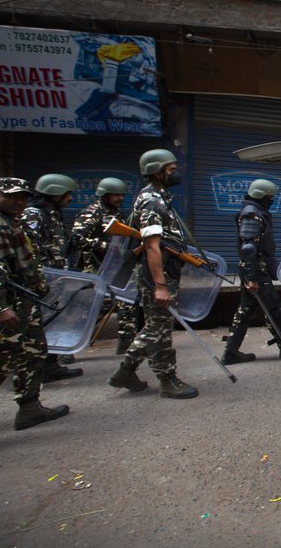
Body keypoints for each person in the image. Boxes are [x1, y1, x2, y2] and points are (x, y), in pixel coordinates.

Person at [0, 178, 71, 450]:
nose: (19, 202)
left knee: (34, 353)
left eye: (23, 197)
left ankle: (29, 408)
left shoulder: (10, 222)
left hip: (23, 303)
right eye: (12, 196)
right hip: (5, 308)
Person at [107, 149, 198, 399]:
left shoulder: (160, 197)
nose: (176, 172)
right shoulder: (151, 200)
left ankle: (126, 371)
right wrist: (160, 285)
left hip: (165, 270)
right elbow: (152, 245)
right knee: (160, 327)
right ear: (157, 172)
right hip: (156, 274)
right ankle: (167, 379)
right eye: (171, 169)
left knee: (155, 325)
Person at [222, 179, 281, 364]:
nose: (272, 201)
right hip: (256, 271)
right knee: (275, 309)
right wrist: (252, 278)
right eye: (270, 197)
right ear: (262, 196)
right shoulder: (252, 214)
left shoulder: (254, 212)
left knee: (245, 311)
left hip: (253, 269)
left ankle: (230, 352)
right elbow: (248, 248)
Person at [21, 173, 83, 382]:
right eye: (67, 194)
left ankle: (50, 364)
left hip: (56, 279)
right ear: (54, 193)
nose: (71, 199)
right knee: (38, 325)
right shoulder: (33, 215)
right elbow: (30, 251)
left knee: (53, 321)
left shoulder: (53, 214)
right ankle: (33, 371)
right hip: (42, 281)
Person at [70, 177, 136, 354]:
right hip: (95, 268)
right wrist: (106, 247)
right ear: (105, 195)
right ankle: (70, 343)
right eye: (116, 195)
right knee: (95, 306)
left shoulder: (117, 214)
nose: (120, 199)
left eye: (122, 195)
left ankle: (126, 343)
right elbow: (77, 239)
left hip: (115, 267)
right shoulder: (91, 214)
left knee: (126, 303)